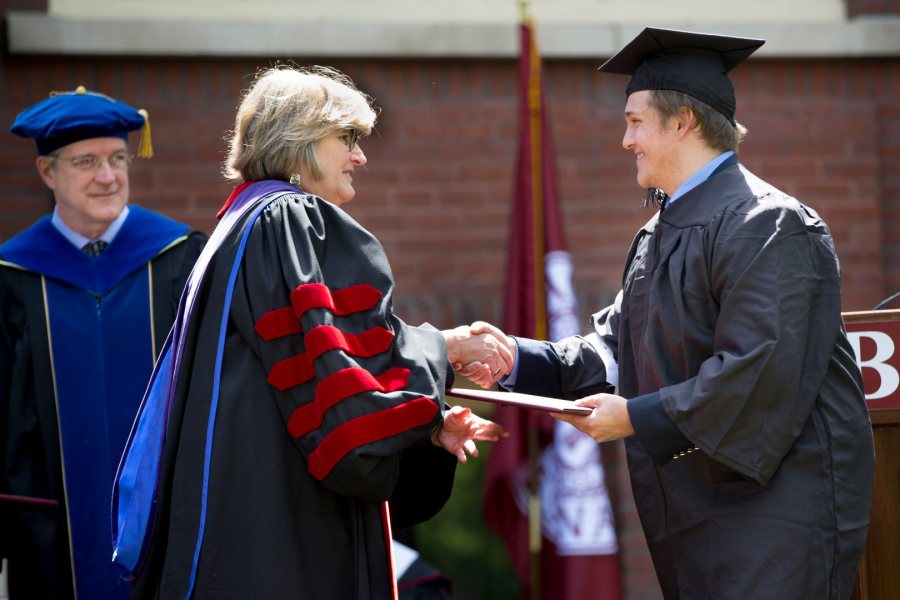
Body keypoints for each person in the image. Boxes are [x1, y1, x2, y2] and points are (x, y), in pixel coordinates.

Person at [465, 27, 875, 599]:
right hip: (695, 516)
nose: (625, 140)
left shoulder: (770, 225)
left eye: (635, 121)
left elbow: (757, 374)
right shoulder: (659, 234)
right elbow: (614, 347)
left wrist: (633, 418)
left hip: (777, 517)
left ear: (681, 121)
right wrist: (514, 358)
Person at [115, 66, 510, 600]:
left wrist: (425, 425)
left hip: (238, 518)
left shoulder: (237, 224)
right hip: (283, 528)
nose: (361, 156)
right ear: (299, 141)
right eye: (346, 138)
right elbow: (341, 370)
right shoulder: (293, 221)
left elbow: (309, 375)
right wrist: (445, 347)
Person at [0, 88, 207, 599]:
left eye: (117, 158)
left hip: (165, 519)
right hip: (50, 532)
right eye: (86, 162)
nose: (108, 176)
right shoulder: (13, 280)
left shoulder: (180, 260)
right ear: (48, 173)